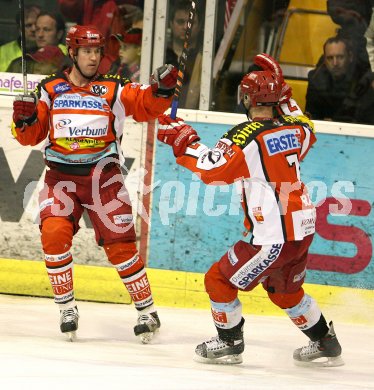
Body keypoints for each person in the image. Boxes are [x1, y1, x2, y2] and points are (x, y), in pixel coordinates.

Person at [156, 54, 344, 366]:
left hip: (273, 236)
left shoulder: (245, 136)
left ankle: (229, 342)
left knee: (218, 280)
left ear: (245, 98)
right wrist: (284, 95)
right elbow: (306, 125)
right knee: (285, 292)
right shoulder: (295, 131)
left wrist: (181, 139)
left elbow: (212, 171)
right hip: (302, 230)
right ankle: (326, 342)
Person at [11, 25, 177, 343]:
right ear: (72, 53)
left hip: (105, 180)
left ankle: (147, 311)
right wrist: (24, 119)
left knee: (121, 246)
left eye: (97, 51)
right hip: (61, 179)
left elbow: (148, 105)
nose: (92, 57)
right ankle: (67, 308)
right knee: (53, 233)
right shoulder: (49, 89)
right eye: (86, 51)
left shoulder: (114, 88)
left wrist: (163, 90)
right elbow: (30, 136)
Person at [305, 36, 371, 122]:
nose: (335, 63)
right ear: (325, 60)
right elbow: (311, 116)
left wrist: (336, 122)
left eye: (340, 57)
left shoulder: (364, 80)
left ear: (350, 57)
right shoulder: (316, 80)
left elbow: (367, 119)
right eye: (330, 58)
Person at [165, 0, 203, 109]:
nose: (186, 27)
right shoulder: (160, 55)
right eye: (180, 22)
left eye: (191, 22)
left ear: (199, 26)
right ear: (171, 24)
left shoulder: (206, 59)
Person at [0, 4, 40, 72]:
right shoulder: (2, 52)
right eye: (28, 25)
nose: (33, 29)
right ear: (19, 29)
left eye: (36, 25)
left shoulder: (57, 50)